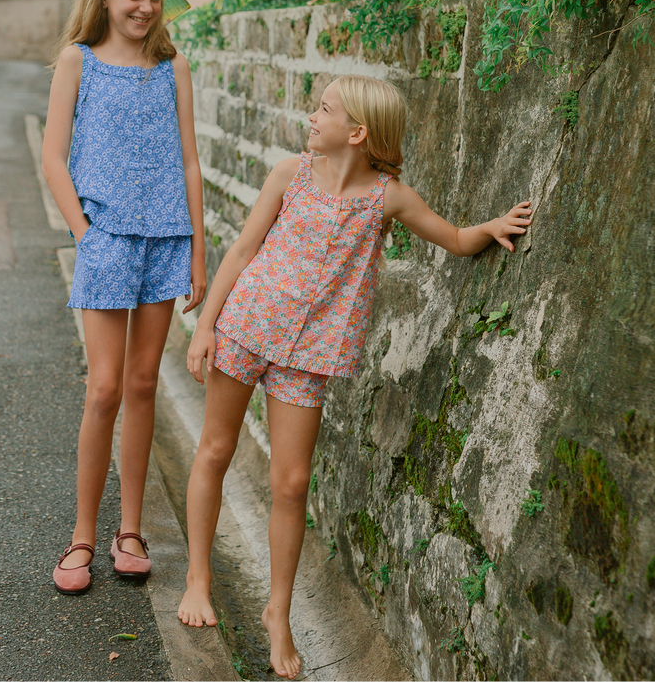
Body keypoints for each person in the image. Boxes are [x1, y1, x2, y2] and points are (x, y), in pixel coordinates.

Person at [177, 74, 532, 679]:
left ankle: (278, 613)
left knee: (291, 484)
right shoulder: (289, 174)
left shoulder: (387, 197)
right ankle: (198, 578)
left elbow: (452, 238)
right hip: (246, 324)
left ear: (358, 132)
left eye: (324, 110)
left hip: (310, 354)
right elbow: (241, 250)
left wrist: (490, 227)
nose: (311, 117)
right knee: (215, 449)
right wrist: (207, 324)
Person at [42, 0, 206, 595]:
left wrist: (198, 249)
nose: (146, 10)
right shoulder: (76, 61)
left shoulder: (173, 67)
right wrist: (84, 233)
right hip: (107, 239)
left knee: (144, 386)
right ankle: (84, 532)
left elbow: (191, 160)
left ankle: (130, 529)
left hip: (166, 239)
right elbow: (55, 156)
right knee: (104, 387)